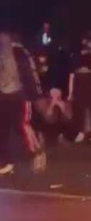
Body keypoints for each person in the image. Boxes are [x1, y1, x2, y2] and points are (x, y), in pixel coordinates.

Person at [0, 30, 45, 175]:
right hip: (4, 96)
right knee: (2, 129)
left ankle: (36, 152)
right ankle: (4, 161)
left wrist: (36, 95)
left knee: (23, 125)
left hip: (20, 95)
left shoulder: (20, 52)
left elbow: (31, 73)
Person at [69, 36, 91, 143]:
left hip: (89, 81)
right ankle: (80, 132)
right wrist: (70, 92)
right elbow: (72, 75)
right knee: (80, 109)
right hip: (80, 81)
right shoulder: (75, 56)